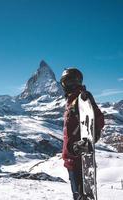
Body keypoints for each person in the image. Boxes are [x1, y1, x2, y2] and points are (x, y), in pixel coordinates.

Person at [60, 68, 104, 200]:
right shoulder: (70, 102)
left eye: (70, 81)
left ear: (78, 81)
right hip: (70, 160)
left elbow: (99, 119)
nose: (67, 85)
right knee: (77, 196)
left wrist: (90, 138)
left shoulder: (82, 98)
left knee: (82, 197)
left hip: (79, 160)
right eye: (65, 83)